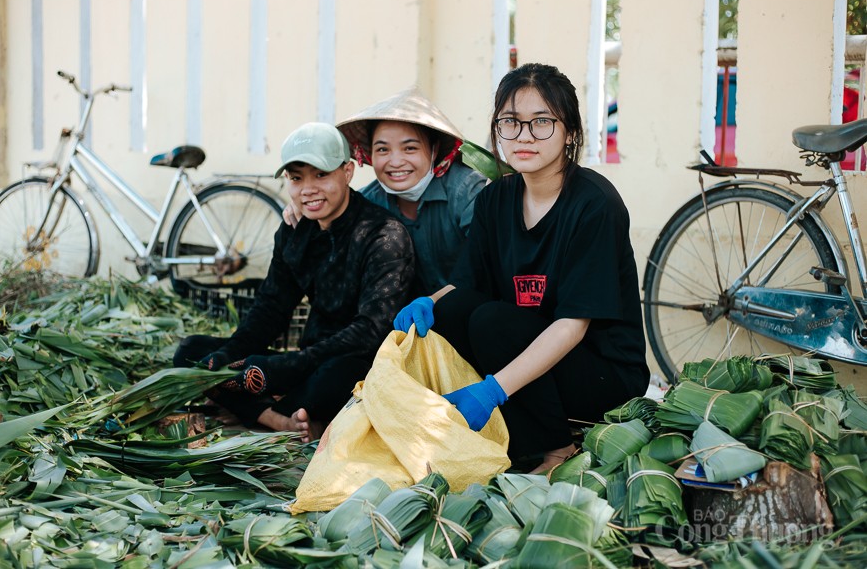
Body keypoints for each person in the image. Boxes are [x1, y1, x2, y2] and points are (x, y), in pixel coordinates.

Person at [393, 63, 649, 473]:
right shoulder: (496, 199)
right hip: (534, 363)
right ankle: (516, 438)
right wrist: (426, 302)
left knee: (493, 321)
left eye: (542, 122)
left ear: (569, 132)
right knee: (455, 310)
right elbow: (464, 284)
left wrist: (493, 389)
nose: (525, 136)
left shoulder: (594, 204)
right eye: (511, 122)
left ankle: (556, 449)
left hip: (601, 373)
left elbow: (572, 325)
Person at [174, 122, 415, 442]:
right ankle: (278, 418)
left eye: (321, 175)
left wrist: (286, 366)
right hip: (304, 359)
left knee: (339, 377)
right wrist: (227, 354)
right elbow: (270, 308)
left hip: (355, 363)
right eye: (296, 178)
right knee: (192, 352)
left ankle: (262, 410)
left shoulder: (383, 235)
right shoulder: (294, 231)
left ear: (347, 172)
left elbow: (371, 332)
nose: (308, 189)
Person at [286, 89, 487, 295]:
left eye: (410, 148)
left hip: (469, 312)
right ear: (369, 154)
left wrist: (434, 302)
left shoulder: (467, 192)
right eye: (383, 149)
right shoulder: (368, 202)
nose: (396, 162)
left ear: (434, 150)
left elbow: (485, 266)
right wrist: (307, 205)